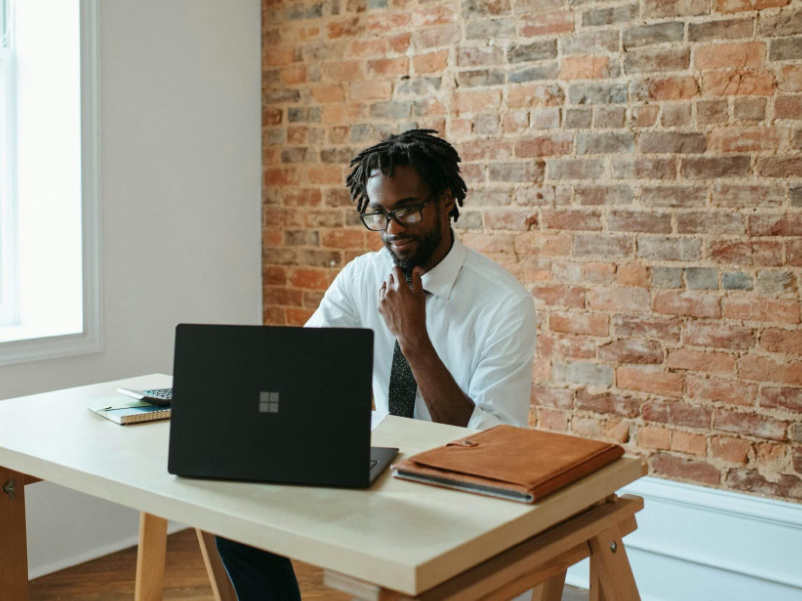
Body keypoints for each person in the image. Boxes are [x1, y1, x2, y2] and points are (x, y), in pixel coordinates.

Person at [215, 129, 537, 600]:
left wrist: (413, 341)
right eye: (378, 214)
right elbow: (301, 367)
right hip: (377, 465)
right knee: (236, 517)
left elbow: (492, 446)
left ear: (447, 200)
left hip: (455, 485)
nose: (393, 229)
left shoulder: (503, 304)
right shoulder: (362, 278)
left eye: (407, 209)